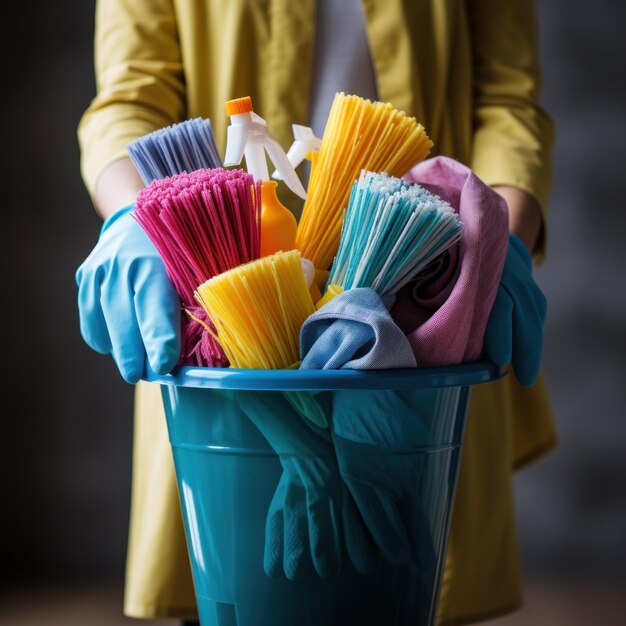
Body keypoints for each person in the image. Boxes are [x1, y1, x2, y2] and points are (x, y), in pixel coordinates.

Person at [75, 0, 556, 624]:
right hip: (222, 311)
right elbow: (128, 98)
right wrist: (136, 217)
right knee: (244, 567)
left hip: (425, 304)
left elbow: (507, 100)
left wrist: (497, 239)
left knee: (410, 568)